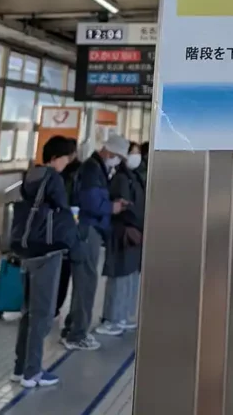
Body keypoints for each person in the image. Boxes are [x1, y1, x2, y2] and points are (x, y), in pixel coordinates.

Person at [10, 135, 83, 388]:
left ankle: (20, 367)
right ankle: (33, 372)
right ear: (55, 158)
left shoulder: (32, 175)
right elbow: (62, 210)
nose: (66, 163)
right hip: (47, 251)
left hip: (27, 249)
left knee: (28, 312)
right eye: (65, 158)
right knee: (42, 313)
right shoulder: (53, 178)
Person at [62, 133, 129, 351]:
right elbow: (90, 201)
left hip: (89, 229)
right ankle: (77, 335)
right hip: (87, 230)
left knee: (85, 282)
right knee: (86, 283)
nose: (117, 161)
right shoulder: (92, 169)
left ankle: (72, 328)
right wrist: (112, 208)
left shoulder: (97, 168)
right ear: (109, 152)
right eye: (118, 156)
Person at [98, 142, 146, 335]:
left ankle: (124, 315)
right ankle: (112, 318)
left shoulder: (135, 177)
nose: (136, 157)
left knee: (131, 275)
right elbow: (125, 206)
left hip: (136, 232)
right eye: (132, 153)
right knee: (119, 276)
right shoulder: (121, 179)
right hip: (124, 233)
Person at [54, 138, 80, 318]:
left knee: (63, 268)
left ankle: (55, 305)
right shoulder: (54, 175)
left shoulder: (77, 172)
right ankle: (53, 304)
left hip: (66, 226)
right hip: (58, 228)